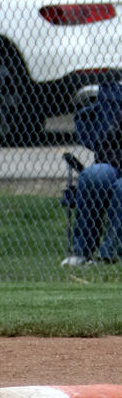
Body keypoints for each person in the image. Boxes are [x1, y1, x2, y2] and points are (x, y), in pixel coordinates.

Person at [61, 80, 122, 266]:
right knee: (93, 176)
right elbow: (109, 141)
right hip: (115, 163)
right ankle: (82, 252)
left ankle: (108, 255)